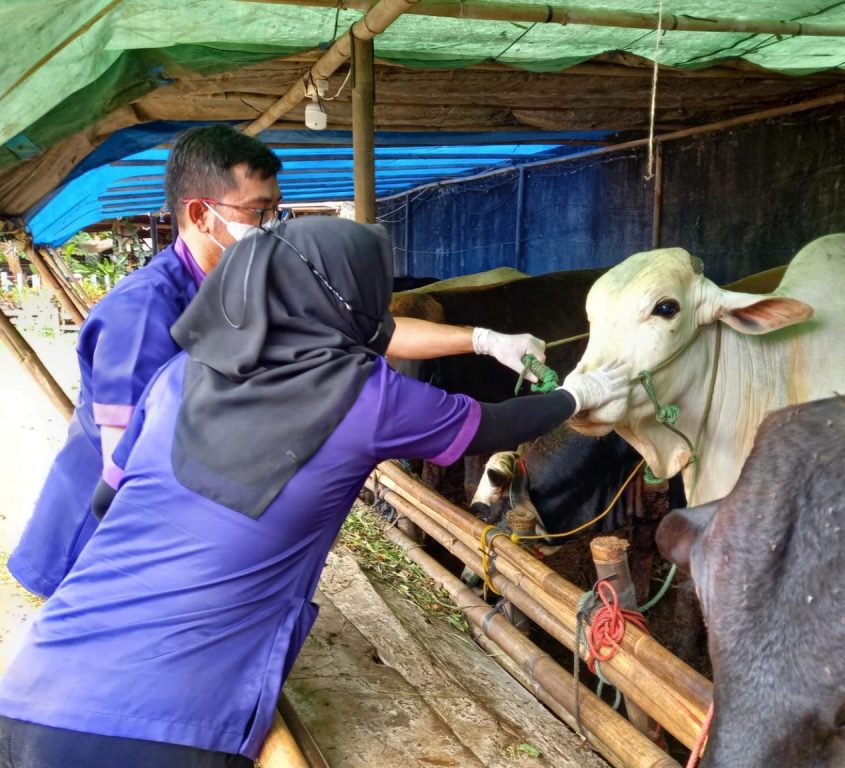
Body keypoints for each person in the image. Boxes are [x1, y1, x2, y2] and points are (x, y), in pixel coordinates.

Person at [0, 217, 628, 768]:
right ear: (342, 300)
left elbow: (108, 504)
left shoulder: (176, 374)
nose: (377, 311)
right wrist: (577, 396)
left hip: (36, 680)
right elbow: (489, 426)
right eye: (371, 294)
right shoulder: (363, 396)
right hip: (165, 720)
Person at [7, 125, 545, 597]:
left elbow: (374, 328)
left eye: (276, 210)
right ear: (201, 214)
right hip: (101, 548)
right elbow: (122, 475)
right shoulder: (142, 314)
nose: (272, 224)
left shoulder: (256, 280)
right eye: (258, 212)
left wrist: (481, 338)